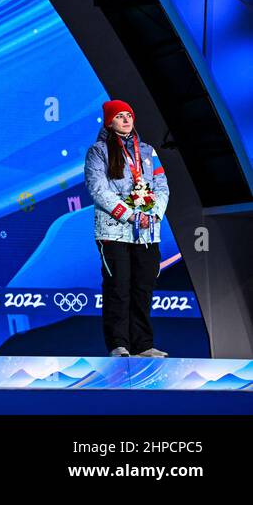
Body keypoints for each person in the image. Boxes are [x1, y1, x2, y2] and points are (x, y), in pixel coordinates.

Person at [84, 99, 170, 358]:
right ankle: (118, 344)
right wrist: (131, 215)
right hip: (114, 231)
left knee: (143, 288)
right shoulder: (98, 151)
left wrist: (154, 214)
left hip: (147, 232)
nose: (126, 120)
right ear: (109, 122)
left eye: (129, 115)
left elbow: (162, 185)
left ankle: (143, 344)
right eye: (119, 116)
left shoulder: (148, 151)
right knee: (118, 288)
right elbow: (98, 188)